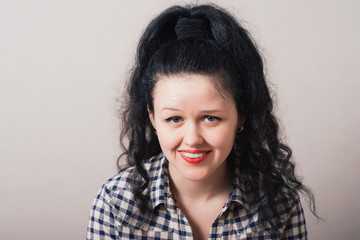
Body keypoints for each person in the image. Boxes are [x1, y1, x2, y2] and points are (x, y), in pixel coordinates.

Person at [87, 4, 317, 240]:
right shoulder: (115, 202)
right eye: (174, 119)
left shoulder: (279, 204)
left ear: (241, 116)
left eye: (210, 118)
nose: (193, 139)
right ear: (153, 118)